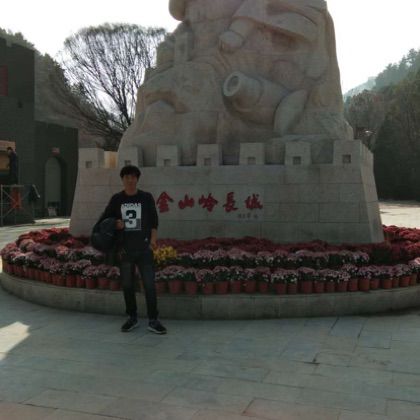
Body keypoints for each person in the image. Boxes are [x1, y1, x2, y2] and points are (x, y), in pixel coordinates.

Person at [98, 165, 167, 334]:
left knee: (149, 285)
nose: (130, 180)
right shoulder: (117, 199)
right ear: (122, 179)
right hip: (125, 250)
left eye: (133, 177)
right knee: (128, 285)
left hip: (144, 249)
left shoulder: (146, 197)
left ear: (137, 179)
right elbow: (104, 220)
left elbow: (154, 221)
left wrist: (153, 241)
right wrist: (115, 223)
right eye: (127, 177)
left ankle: (153, 320)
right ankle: (132, 317)